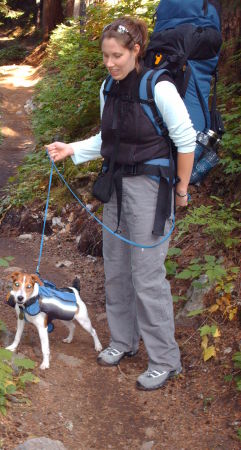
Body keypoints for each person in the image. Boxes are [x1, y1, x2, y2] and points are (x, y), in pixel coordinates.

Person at [47, 17, 196, 391]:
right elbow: (107, 138)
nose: (110, 63)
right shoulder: (107, 88)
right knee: (115, 267)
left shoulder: (158, 87)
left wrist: (181, 190)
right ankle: (124, 341)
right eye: (105, 56)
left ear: (136, 51)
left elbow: (186, 139)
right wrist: (72, 149)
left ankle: (164, 360)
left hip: (151, 189)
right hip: (115, 186)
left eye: (117, 56)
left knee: (147, 275)